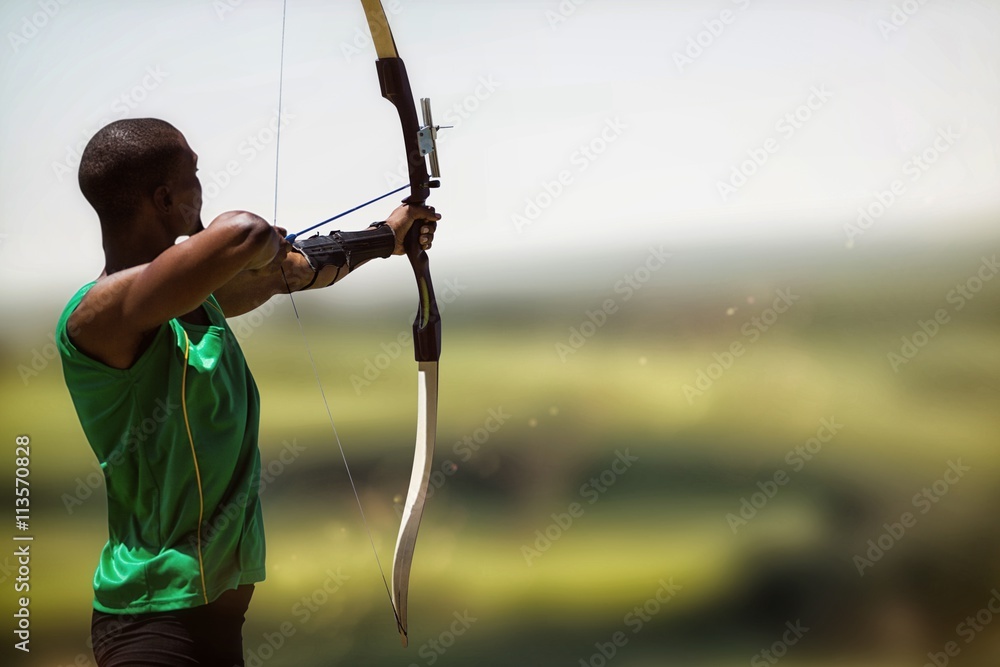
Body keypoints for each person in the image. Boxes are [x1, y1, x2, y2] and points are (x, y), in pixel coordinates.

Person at [56, 118, 440, 666]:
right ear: (165, 197)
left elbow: (294, 269)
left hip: (215, 624)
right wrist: (252, 246)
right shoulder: (99, 315)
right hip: (152, 627)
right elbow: (246, 233)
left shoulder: (199, 303)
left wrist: (386, 236)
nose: (201, 185)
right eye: (192, 173)